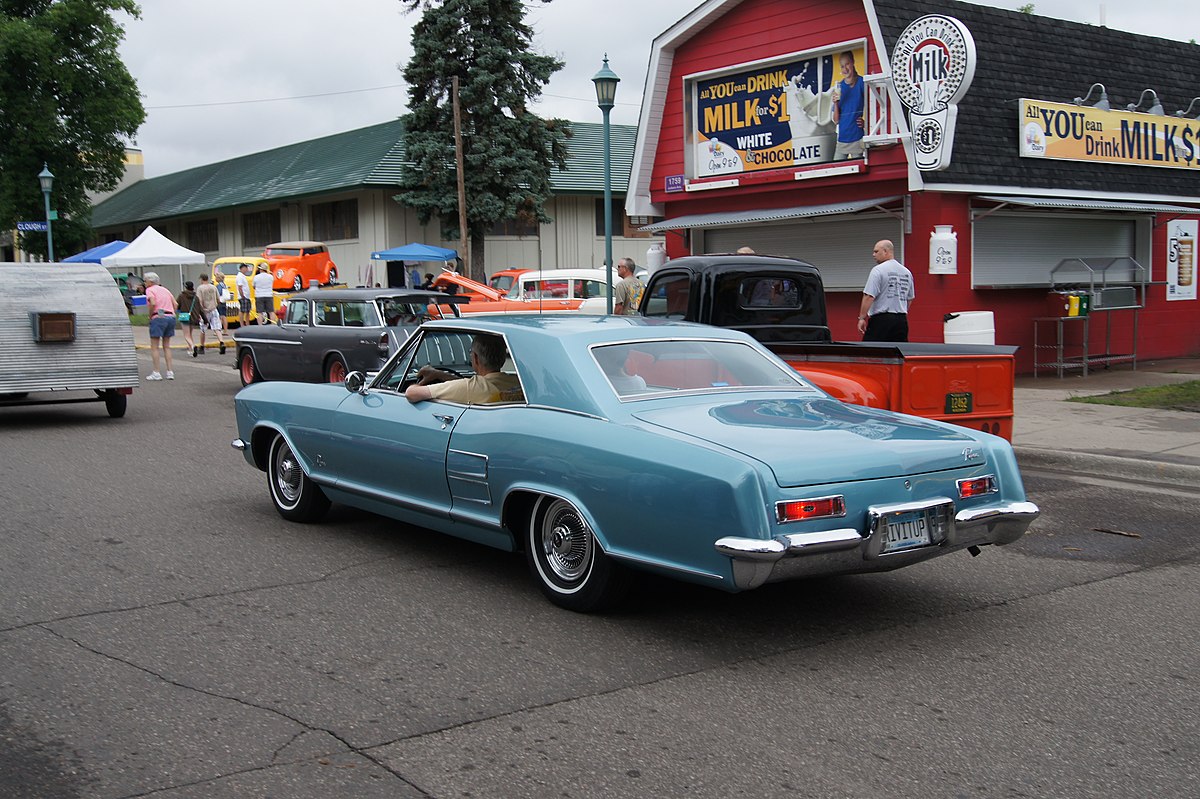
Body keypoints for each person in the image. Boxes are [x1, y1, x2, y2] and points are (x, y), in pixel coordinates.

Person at [405, 335, 523, 404]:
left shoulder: (470, 388)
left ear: (475, 358)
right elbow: (464, 384)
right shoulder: (518, 382)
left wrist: (414, 385)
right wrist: (439, 374)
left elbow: (412, 394)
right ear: (503, 358)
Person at [858, 239, 914, 342]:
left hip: (881, 320)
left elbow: (869, 296)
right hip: (901, 321)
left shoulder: (878, 270)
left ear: (885, 251)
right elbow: (910, 298)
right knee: (897, 352)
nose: (873, 255)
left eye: (876, 251)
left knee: (871, 352)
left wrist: (862, 318)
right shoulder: (907, 272)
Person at [832, 50, 866, 161]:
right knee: (836, 170)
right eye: (842, 66)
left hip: (857, 138)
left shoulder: (861, 82)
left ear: (852, 62)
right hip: (842, 139)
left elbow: (873, 104)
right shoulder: (839, 86)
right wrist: (835, 104)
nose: (845, 69)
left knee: (859, 170)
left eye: (847, 64)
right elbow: (836, 120)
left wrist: (866, 122)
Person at [143, 271, 176, 380]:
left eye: (145, 281)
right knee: (166, 346)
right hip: (170, 316)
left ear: (150, 282)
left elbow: (152, 302)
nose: (144, 283)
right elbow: (175, 304)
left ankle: (156, 372)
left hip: (158, 317)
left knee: (155, 346)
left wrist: (150, 314)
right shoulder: (165, 290)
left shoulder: (150, 290)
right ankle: (170, 371)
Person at [194, 272, 227, 355]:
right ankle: (221, 342)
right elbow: (218, 299)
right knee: (217, 328)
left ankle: (202, 346)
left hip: (205, 311)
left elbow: (200, 301)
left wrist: (200, 311)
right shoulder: (213, 287)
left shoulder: (200, 288)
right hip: (214, 309)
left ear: (201, 279)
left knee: (203, 329)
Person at [175, 280, 198, 355]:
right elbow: (199, 308)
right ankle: (191, 350)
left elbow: (177, 304)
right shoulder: (195, 296)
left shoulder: (182, 296)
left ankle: (192, 346)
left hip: (184, 316)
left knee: (186, 335)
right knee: (190, 334)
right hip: (193, 317)